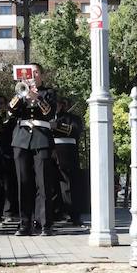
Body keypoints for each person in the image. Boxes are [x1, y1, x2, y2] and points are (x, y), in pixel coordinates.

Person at [10, 63, 59, 236]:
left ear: (41, 76)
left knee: (43, 183)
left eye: (36, 72)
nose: (33, 75)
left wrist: (36, 98)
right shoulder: (20, 91)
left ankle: (45, 224)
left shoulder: (48, 92)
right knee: (23, 183)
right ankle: (25, 223)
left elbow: (49, 113)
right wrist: (22, 94)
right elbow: (11, 110)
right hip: (21, 139)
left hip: (41, 138)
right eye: (31, 73)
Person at [52, 97, 84, 228]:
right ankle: (54, 213)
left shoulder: (73, 118)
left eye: (58, 104)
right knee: (51, 186)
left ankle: (73, 215)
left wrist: (57, 126)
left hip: (66, 154)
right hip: (50, 153)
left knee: (68, 186)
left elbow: (75, 130)